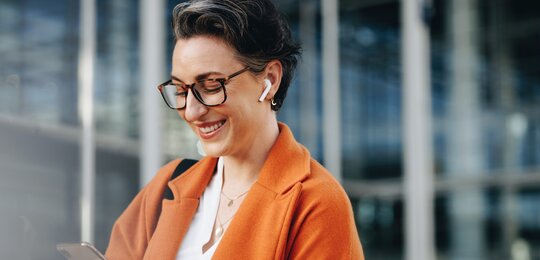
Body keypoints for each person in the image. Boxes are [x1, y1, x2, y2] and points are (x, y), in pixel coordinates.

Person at [105, 0, 364, 259]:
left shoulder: (315, 204)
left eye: (211, 85)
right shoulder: (167, 186)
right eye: (181, 90)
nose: (192, 111)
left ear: (270, 80)